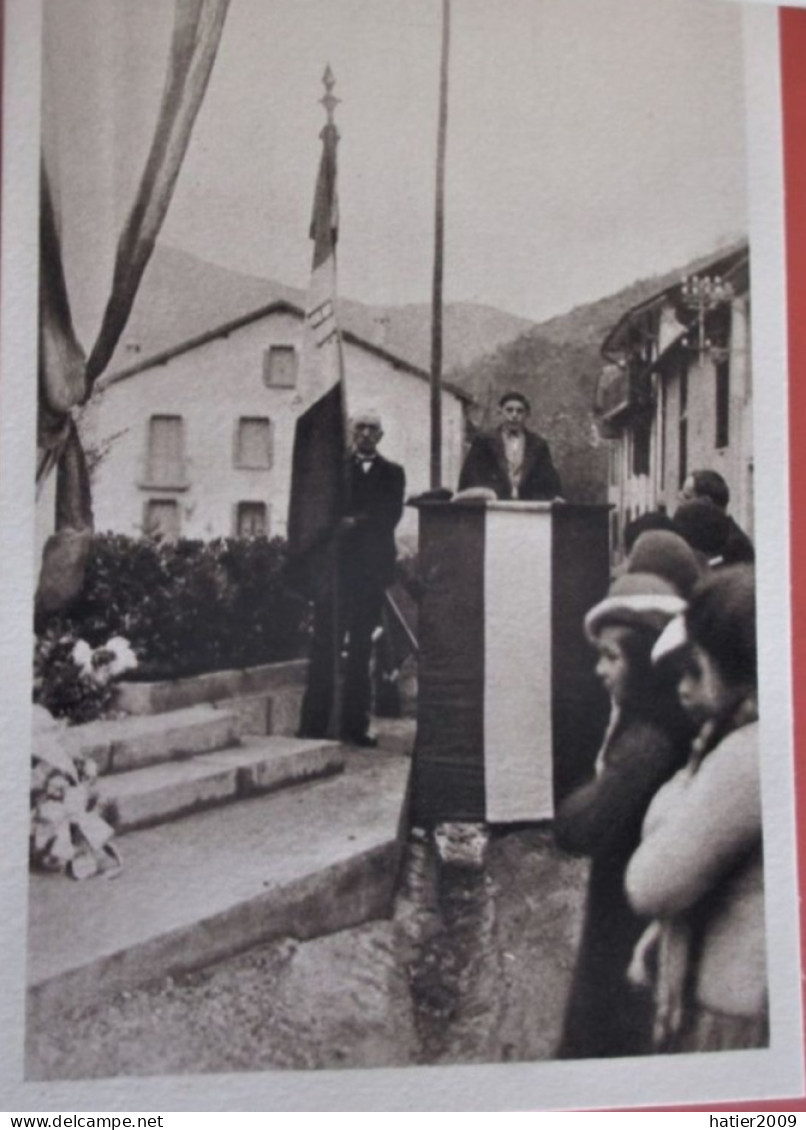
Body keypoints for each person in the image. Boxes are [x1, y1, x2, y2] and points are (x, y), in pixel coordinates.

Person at [625, 566, 766, 1053]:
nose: (688, 686)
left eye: (697, 667)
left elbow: (651, 882)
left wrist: (689, 779)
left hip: (735, 1019)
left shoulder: (747, 756)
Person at [554, 571, 692, 1059]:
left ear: (646, 661)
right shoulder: (658, 721)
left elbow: (578, 828)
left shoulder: (648, 741)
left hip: (627, 925)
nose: (600, 670)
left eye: (612, 656)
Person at [298, 411, 405, 747]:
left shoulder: (393, 473)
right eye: (360, 427)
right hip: (336, 574)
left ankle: (355, 727)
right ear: (351, 432)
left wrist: (355, 523)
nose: (366, 434)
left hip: (370, 574)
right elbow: (321, 515)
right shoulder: (335, 473)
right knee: (324, 647)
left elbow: (389, 515)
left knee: (361, 652)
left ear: (381, 435)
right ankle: (313, 725)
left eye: (373, 428)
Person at [458, 390, 562, 501]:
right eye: (509, 410)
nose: (514, 415)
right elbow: (470, 476)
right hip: (494, 505)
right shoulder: (484, 441)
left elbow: (550, 480)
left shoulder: (538, 444)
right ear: (500, 412)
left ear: (527, 414)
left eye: (520, 411)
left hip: (528, 506)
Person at [679, 469, 754, 564]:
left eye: (687, 497)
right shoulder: (696, 531)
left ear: (706, 502)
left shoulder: (736, 546)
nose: (680, 502)